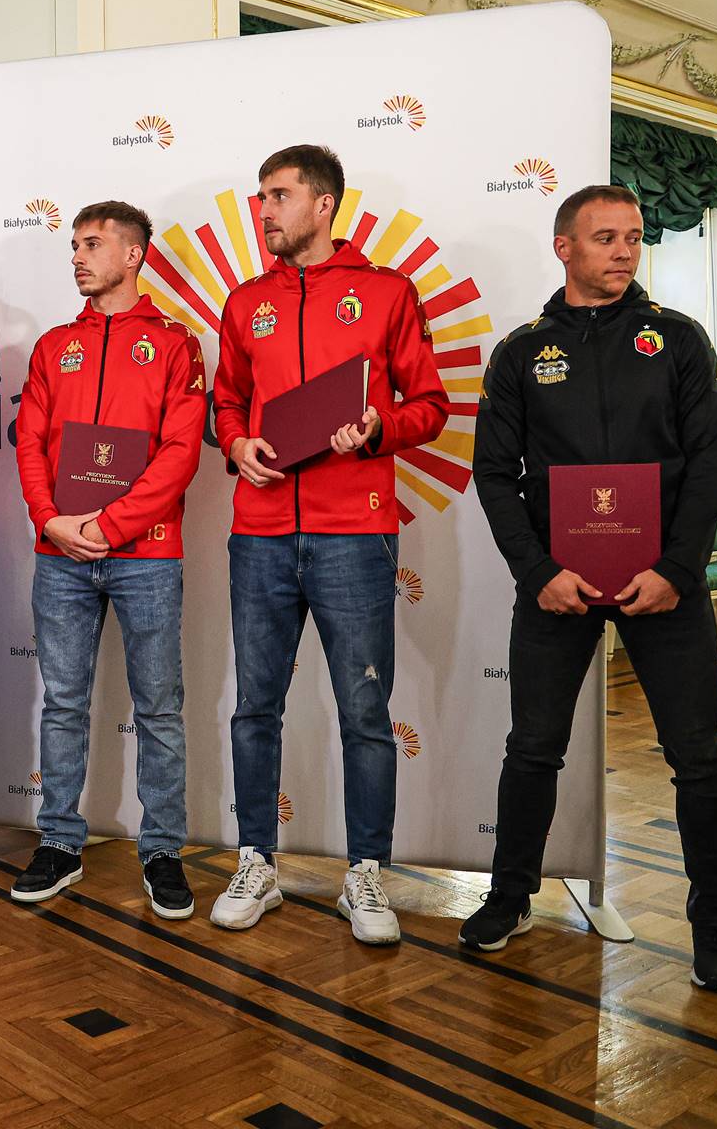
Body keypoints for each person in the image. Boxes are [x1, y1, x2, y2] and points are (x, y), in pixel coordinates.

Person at [466, 184, 717, 990]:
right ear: (565, 248)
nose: (624, 251)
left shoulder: (679, 340)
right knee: (531, 750)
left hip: (666, 587)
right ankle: (510, 898)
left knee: (699, 759)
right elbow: (494, 473)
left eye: (633, 236)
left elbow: (710, 464)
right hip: (559, 586)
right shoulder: (522, 352)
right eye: (605, 237)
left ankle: (716, 927)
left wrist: (679, 570)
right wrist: (538, 572)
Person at [210, 145, 447, 943]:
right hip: (260, 535)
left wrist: (379, 426)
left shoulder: (386, 292)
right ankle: (256, 863)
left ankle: (366, 874)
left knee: (365, 712)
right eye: (260, 196)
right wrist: (235, 442)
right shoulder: (247, 302)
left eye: (277, 195)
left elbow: (431, 404)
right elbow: (226, 401)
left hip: (355, 534)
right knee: (255, 709)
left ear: (323, 205)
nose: (263, 211)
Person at [10, 201, 207, 918]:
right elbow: (30, 441)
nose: (77, 257)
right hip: (61, 551)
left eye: (92, 244)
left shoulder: (176, 344)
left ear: (134, 255)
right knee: (63, 704)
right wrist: (51, 520)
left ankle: (162, 851)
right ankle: (59, 841)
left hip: (147, 554)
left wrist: (112, 524)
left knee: (159, 708)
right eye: (74, 245)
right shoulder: (54, 345)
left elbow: (180, 453)